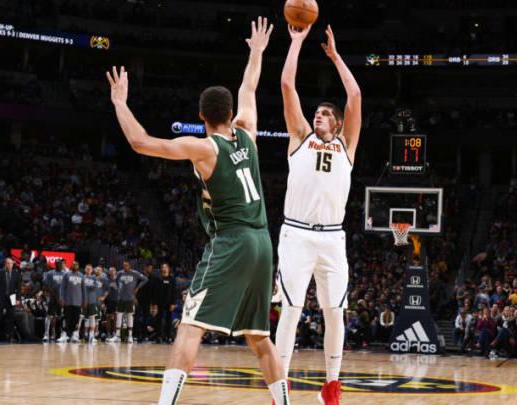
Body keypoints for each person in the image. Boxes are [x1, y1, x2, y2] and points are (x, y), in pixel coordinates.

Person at [106, 17, 289, 405]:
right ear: (229, 113)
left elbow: (140, 143)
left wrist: (120, 103)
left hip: (234, 241)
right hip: (262, 243)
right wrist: (256, 51)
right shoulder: (248, 131)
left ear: (202, 115)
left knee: (190, 325)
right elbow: (250, 86)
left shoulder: (206, 148)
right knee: (259, 337)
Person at [274, 22, 362, 405]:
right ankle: (280, 388)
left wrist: (336, 56)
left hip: (332, 237)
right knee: (291, 311)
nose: (319, 116)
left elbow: (355, 94)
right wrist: (295, 43)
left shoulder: (346, 146)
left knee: (335, 313)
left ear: (338, 123)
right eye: (318, 113)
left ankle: (331, 385)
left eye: (326, 114)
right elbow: (287, 86)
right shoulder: (300, 138)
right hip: (296, 234)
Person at [106, 261, 148, 343]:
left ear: (129, 266)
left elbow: (145, 279)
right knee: (118, 316)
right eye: (124, 265)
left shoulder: (135, 273)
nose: (125, 267)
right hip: (120, 298)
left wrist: (137, 288)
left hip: (130, 298)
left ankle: (130, 336)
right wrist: (120, 289)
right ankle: (117, 336)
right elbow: (116, 281)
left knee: (129, 316)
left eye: (127, 265)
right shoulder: (120, 273)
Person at [0, 258, 22, 342]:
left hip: (11, 297)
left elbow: (18, 288)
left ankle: (11, 336)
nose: (10, 265)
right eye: (8, 263)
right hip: (0, 297)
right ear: (5, 264)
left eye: (11, 263)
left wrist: (18, 299)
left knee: (11, 317)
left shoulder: (16, 273)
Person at [58, 261, 85, 343]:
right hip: (68, 301)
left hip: (78, 302)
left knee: (76, 320)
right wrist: (62, 298)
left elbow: (83, 290)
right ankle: (64, 335)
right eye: (73, 264)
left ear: (78, 266)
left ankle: (74, 335)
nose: (75, 266)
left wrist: (84, 300)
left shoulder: (81, 276)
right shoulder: (66, 274)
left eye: (76, 265)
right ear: (71, 266)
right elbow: (62, 288)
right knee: (66, 319)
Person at [153, 263, 178, 343]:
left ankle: (168, 337)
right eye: (163, 267)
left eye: (166, 267)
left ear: (168, 268)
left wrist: (173, 303)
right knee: (159, 320)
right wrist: (155, 304)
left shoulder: (172, 278)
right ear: (161, 269)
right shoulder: (158, 278)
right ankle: (158, 337)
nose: (164, 268)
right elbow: (155, 292)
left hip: (169, 303)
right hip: (160, 302)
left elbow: (174, 292)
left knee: (168, 320)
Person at [42, 260, 66, 342]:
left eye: (62, 264)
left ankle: (60, 334)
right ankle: (46, 335)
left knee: (62, 317)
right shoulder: (50, 273)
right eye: (59, 264)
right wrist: (56, 297)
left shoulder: (65, 274)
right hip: (52, 298)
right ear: (56, 264)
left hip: (62, 299)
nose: (61, 265)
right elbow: (47, 286)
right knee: (49, 316)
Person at [82, 264, 101, 343]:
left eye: (90, 269)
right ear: (85, 269)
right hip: (83, 301)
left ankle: (91, 336)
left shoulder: (94, 278)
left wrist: (86, 286)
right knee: (84, 319)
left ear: (92, 270)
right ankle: (85, 335)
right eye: (87, 268)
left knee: (92, 318)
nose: (88, 270)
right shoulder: (82, 277)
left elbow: (95, 287)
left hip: (92, 301)